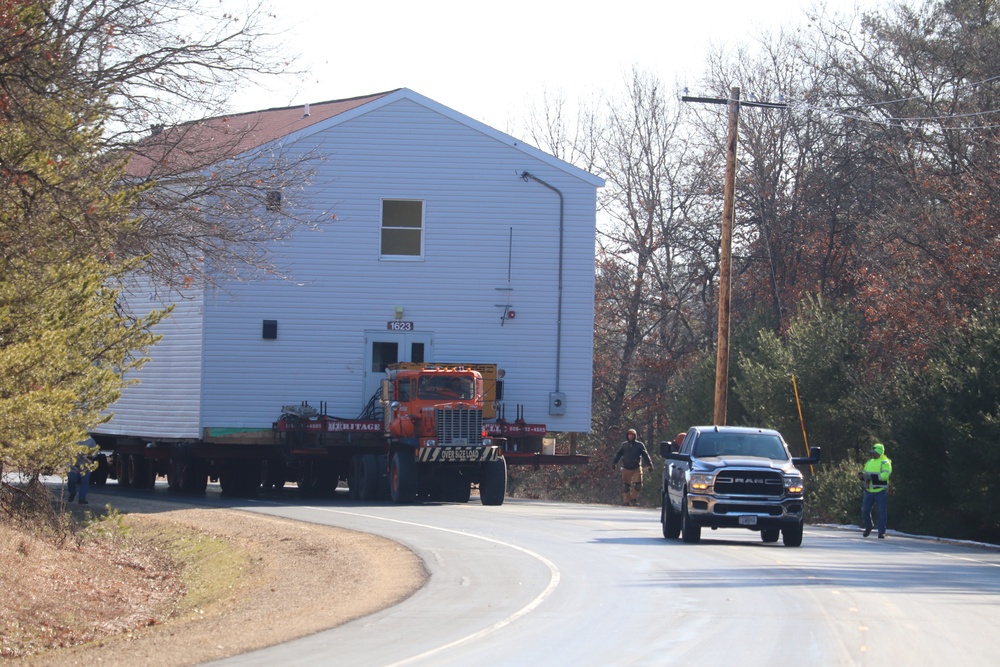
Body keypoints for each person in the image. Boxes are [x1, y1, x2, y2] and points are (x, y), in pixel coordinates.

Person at [611, 428, 653, 506]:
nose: (631, 436)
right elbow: (618, 454)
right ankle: (626, 501)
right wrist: (614, 463)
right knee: (626, 486)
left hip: (636, 467)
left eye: (632, 435)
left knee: (638, 485)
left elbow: (645, 455)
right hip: (626, 468)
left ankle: (633, 499)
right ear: (627, 435)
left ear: (635, 436)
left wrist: (649, 464)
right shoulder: (624, 445)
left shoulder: (639, 445)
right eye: (629, 434)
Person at [859, 442, 892, 538]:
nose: (872, 454)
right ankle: (869, 526)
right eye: (872, 452)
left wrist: (872, 478)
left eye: (874, 452)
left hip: (880, 491)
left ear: (879, 452)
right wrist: (862, 477)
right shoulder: (869, 462)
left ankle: (881, 532)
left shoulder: (885, 462)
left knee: (881, 511)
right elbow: (865, 475)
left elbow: (885, 476)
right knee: (865, 510)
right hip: (869, 491)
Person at [67, 437, 96, 505]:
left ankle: (82, 498)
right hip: (73, 464)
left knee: (84, 482)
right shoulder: (72, 438)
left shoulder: (90, 440)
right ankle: (72, 493)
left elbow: (95, 451)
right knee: (71, 481)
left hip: (85, 464)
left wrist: (90, 456)